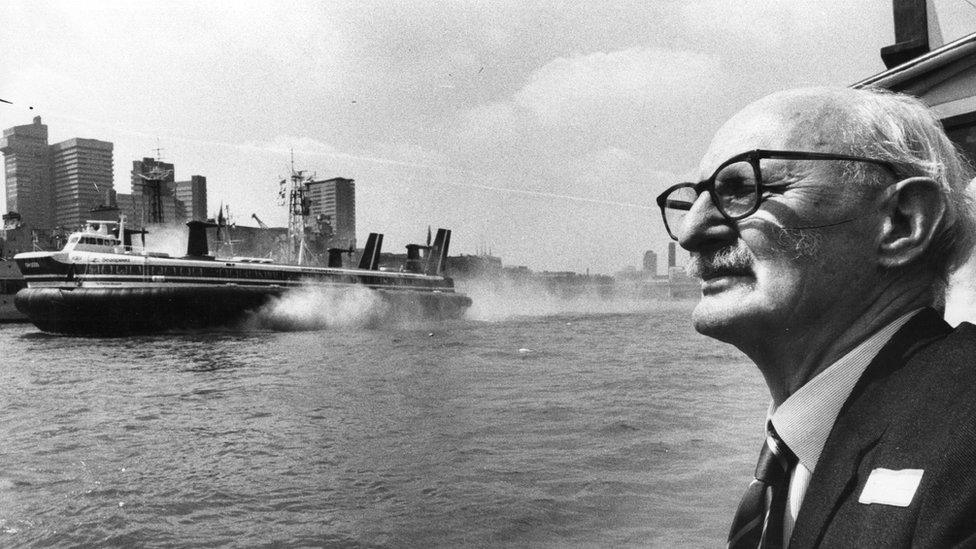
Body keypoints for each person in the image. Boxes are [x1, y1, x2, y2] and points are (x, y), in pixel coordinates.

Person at [655, 86, 976, 548]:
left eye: (745, 189)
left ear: (903, 222)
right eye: (692, 201)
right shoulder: (803, 446)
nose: (691, 232)